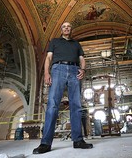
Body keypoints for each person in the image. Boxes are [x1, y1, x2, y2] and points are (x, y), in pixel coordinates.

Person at [33, 22, 93, 154]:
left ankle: (78, 140)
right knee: (53, 104)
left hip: (74, 71)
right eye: (64, 26)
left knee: (76, 105)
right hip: (57, 69)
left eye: (69, 26)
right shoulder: (54, 41)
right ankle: (45, 143)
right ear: (61, 30)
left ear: (71, 29)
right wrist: (47, 73)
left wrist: (83, 69)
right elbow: (48, 58)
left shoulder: (76, 44)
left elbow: (82, 59)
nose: (66, 28)